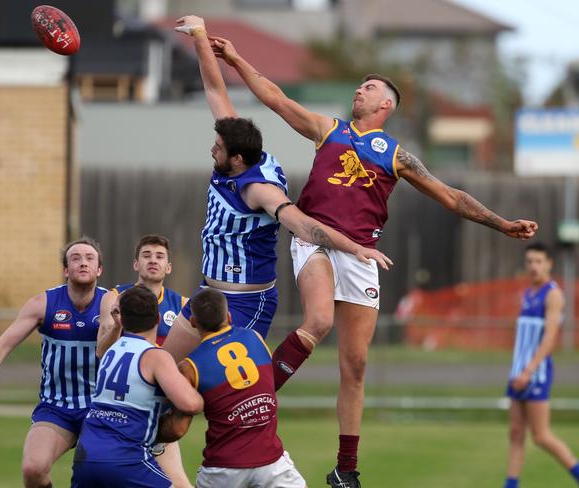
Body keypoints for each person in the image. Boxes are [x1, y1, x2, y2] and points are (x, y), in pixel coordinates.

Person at [210, 36, 540, 487]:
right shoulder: (330, 129)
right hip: (317, 239)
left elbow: (451, 196)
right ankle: (249, 401)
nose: (359, 91)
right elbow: (274, 96)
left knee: (357, 364)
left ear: (386, 103)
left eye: (368, 88)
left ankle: (346, 468)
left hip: (364, 254)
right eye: (359, 86)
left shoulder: (397, 155)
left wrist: (502, 223)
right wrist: (234, 57)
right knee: (319, 319)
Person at [163, 16, 392, 367]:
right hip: (207, 292)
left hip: (243, 304)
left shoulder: (259, 189)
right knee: (161, 371)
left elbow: (305, 226)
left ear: (237, 159)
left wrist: (356, 248)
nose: (212, 149)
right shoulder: (241, 152)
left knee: (209, 396)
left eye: (218, 147)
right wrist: (198, 34)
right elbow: (214, 91)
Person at [0, 237, 106, 488]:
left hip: (100, 407)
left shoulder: (111, 303)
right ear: (65, 270)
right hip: (55, 407)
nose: (83, 263)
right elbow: (3, 343)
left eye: (90, 258)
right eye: (75, 258)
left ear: (99, 269)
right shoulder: (44, 304)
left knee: (94, 474)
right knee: (32, 470)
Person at [159, 288, 307, 488]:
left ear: (193, 323)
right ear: (228, 317)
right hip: (272, 465)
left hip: (223, 471)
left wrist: (149, 432)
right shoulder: (255, 338)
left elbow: (177, 430)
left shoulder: (189, 367)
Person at [71, 284, 203, 488]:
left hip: (86, 455)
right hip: (125, 457)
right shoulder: (155, 356)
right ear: (158, 319)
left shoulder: (111, 351)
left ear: (122, 319)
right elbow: (191, 404)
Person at [96, 234, 192, 488]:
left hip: (160, 414)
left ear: (169, 267)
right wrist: (117, 325)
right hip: (122, 412)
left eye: (160, 256)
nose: (153, 260)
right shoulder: (115, 297)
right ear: (136, 264)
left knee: (179, 484)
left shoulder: (182, 305)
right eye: (146, 255)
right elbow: (101, 351)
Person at [504, 243, 579, 488]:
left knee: (541, 436)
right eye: (529, 261)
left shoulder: (553, 294)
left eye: (539, 261)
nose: (533, 266)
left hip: (535, 374)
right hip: (517, 372)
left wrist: (529, 370)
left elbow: (550, 337)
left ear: (549, 263)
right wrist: (518, 369)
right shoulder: (527, 293)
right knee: (516, 435)